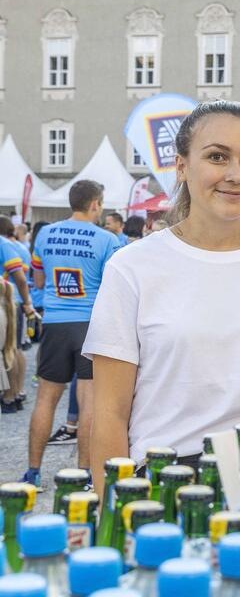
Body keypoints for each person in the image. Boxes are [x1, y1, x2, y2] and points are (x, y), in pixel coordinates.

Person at [84, 100, 240, 492]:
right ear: (183, 166)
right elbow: (108, 414)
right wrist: (111, 513)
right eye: (217, 157)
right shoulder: (132, 267)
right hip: (163, 480)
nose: (236, 174)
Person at [22, 181, 120, 487]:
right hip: (91, 324)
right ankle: (84, 474)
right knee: (89, 401)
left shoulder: (46, 234)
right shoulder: (108, 239)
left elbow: (38, 281)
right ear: (95, 204)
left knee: (45, 399)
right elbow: (113, 290)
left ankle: (33, 471)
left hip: (55, 322)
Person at [0, 217, 33, 414]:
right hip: (12, 302)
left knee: (9, 350)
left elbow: (20, 278)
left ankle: (10, 396)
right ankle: (17, 392)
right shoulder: (14, 245)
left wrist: (27, 302)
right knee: (15, 349)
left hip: (8, 303)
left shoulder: (4, 245)